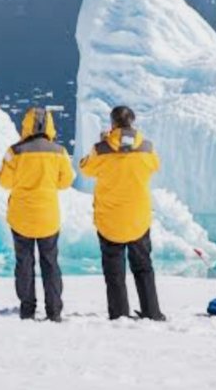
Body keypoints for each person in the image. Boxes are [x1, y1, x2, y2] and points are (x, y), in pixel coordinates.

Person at [79, 105, 165, 321]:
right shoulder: (147, 148)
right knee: (144, 268)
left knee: (114, 272)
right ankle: (152, 312)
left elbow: (85, 168)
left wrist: (103, 142)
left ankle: (119, 314)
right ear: (132, 122)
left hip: (110, 220)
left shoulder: (101, 149)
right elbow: (155, 165)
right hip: (138, 219)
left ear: (112, 123)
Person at [0, 107, 75, 322]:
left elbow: (3, 181)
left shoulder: (14, 151)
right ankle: (54, 311)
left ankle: (27, 309)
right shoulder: (58, 152)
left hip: (21, 216)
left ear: (26, 124)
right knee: (50, 263)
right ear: (49, 124)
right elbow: (66, 181)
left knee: (24, 263)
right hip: (48, 217)